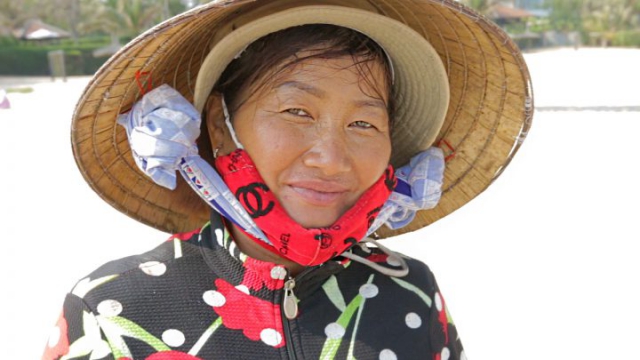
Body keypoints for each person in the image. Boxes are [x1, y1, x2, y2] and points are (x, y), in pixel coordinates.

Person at [43, 1, 532, 359]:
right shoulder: (115, 307)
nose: (331, 158)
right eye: (297, 111)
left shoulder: (413, 293)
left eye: (363, 124)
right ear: (218, 125)